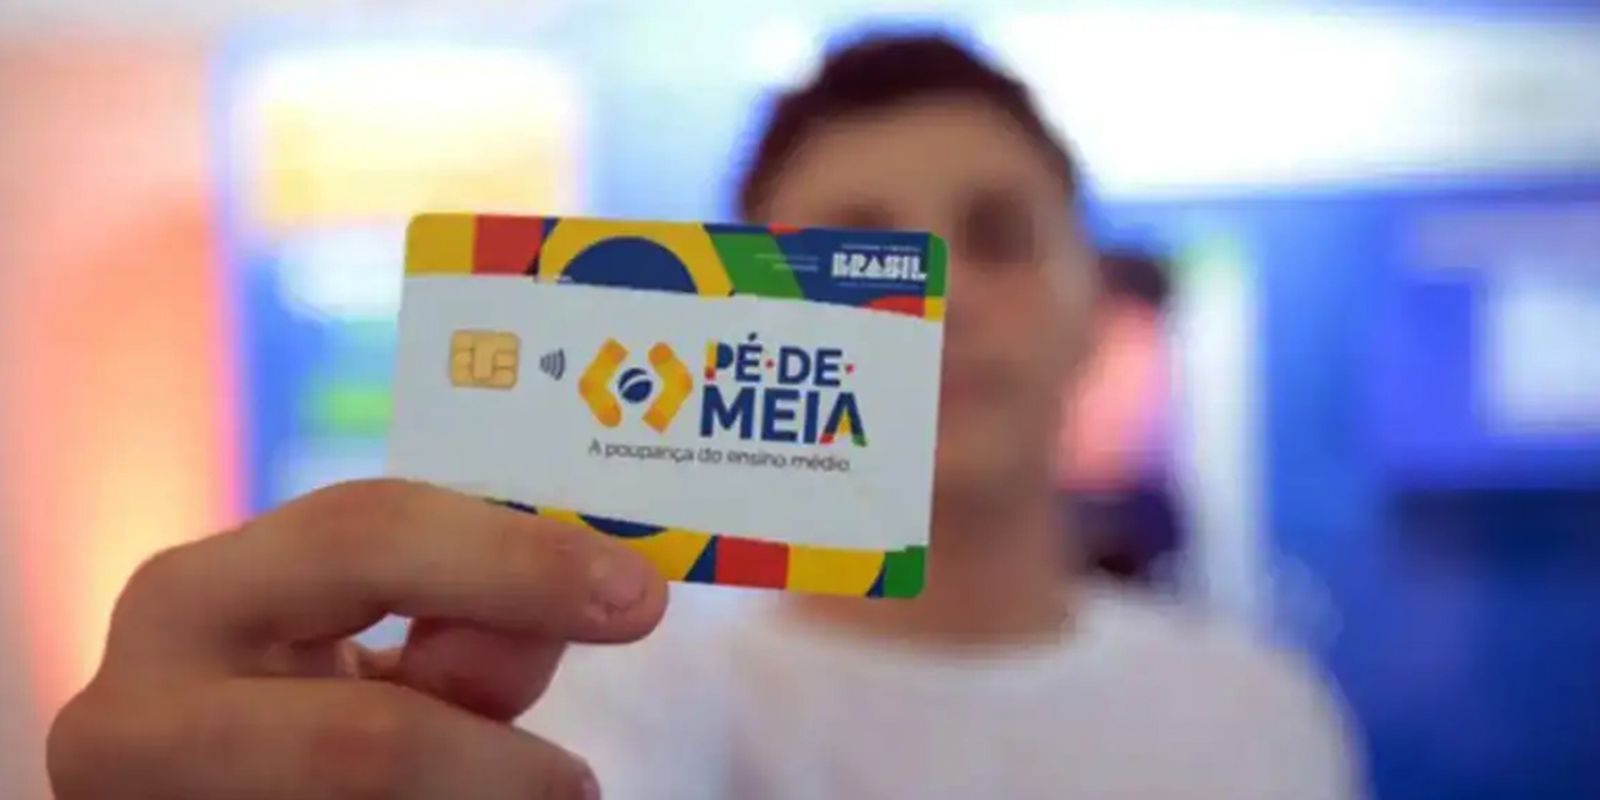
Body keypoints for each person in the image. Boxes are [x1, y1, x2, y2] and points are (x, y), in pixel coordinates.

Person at [47, 33, 1362, 800]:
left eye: (1000, 234)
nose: (943, 298)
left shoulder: (1261, 713)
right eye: (859, 248)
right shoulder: (603, 700)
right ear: (755, 322)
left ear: (1096, 306)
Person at [1061, 250, 1183, 585]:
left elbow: (1105, 444)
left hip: (1112, 503)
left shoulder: (1125, 335)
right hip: (1122, 501)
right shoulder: (1147, 338)